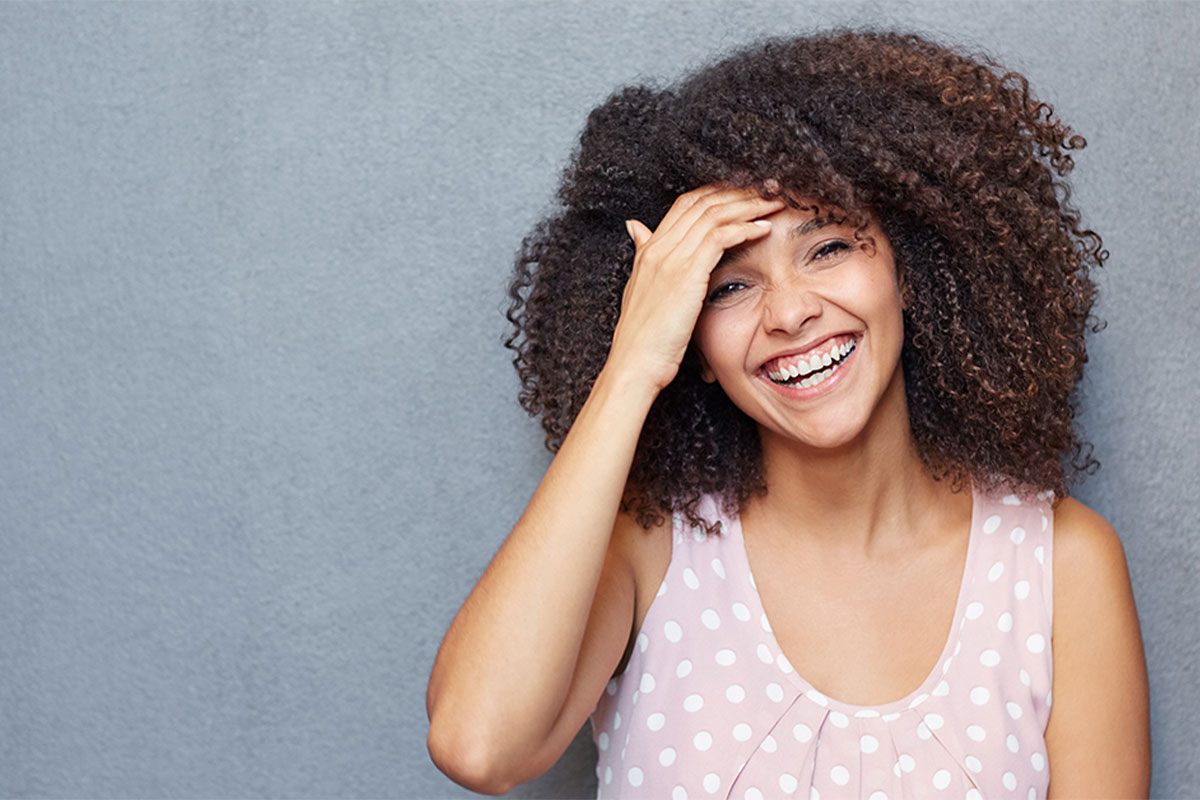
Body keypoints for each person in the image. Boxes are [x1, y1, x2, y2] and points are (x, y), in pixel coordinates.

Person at [426, 30, 1150, 798]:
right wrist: (632, 365)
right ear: (692, 339)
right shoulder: (648, 549)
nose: (791, 312)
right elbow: (477, 745)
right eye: (729, 287)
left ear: (912, 269)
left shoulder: (1060, 564)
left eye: (829, 246)